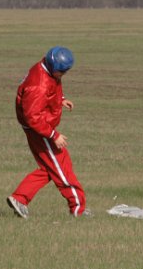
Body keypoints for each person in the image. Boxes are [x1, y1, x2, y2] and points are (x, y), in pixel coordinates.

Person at [7, 46, 88, 218]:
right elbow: (33, 117)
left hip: (41, 127)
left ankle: (19, 198)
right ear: (53, 66)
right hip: (41, 130)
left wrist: (61, 99)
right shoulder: (39, 85)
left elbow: (52, 87)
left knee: (49, 168)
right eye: (62, 71)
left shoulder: (46, 69)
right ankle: (78, 210)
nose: (64, 75)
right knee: (62, 168)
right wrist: (53, 135)